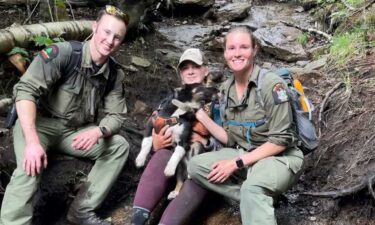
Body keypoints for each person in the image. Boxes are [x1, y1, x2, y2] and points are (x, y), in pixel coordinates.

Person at [1, 5, 130, 225]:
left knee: (119, 145)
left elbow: (117, 115)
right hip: (40, 125)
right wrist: (32, 142)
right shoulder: (64, 53)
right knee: (30, 166)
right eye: (106, 32)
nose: (110, 40)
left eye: (117, 37)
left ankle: (82, 210)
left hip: (74, 132)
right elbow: (25, 92)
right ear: (95, 27)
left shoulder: (114, 74)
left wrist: (99, 131)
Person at [188, 25, 304, 225]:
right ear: (225, 53)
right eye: (231, 48)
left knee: (252, 188)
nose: (237, 53)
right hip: (246, 155)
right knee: (196, 165)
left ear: (254, 49)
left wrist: (236, 163)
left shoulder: (272, 85)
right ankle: (258, 197)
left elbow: (281, 141)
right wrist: (202, 117)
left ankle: (255, 193)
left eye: (243, 47)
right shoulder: (225, 90)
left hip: (279, 158)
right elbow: (230, 138)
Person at [131, 48, 215, 225]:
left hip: (199, 167)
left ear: (205, 70)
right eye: (185, 68)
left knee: (196, 172)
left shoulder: (217, 99)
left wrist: (206, 143)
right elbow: (154, 122)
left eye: (196, 66)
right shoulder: (172, 96)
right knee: (161, 154)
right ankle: (137, 220)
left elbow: (230, 140)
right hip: (171, 164)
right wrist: (155, 142)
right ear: (181, 74)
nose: (190, 71)